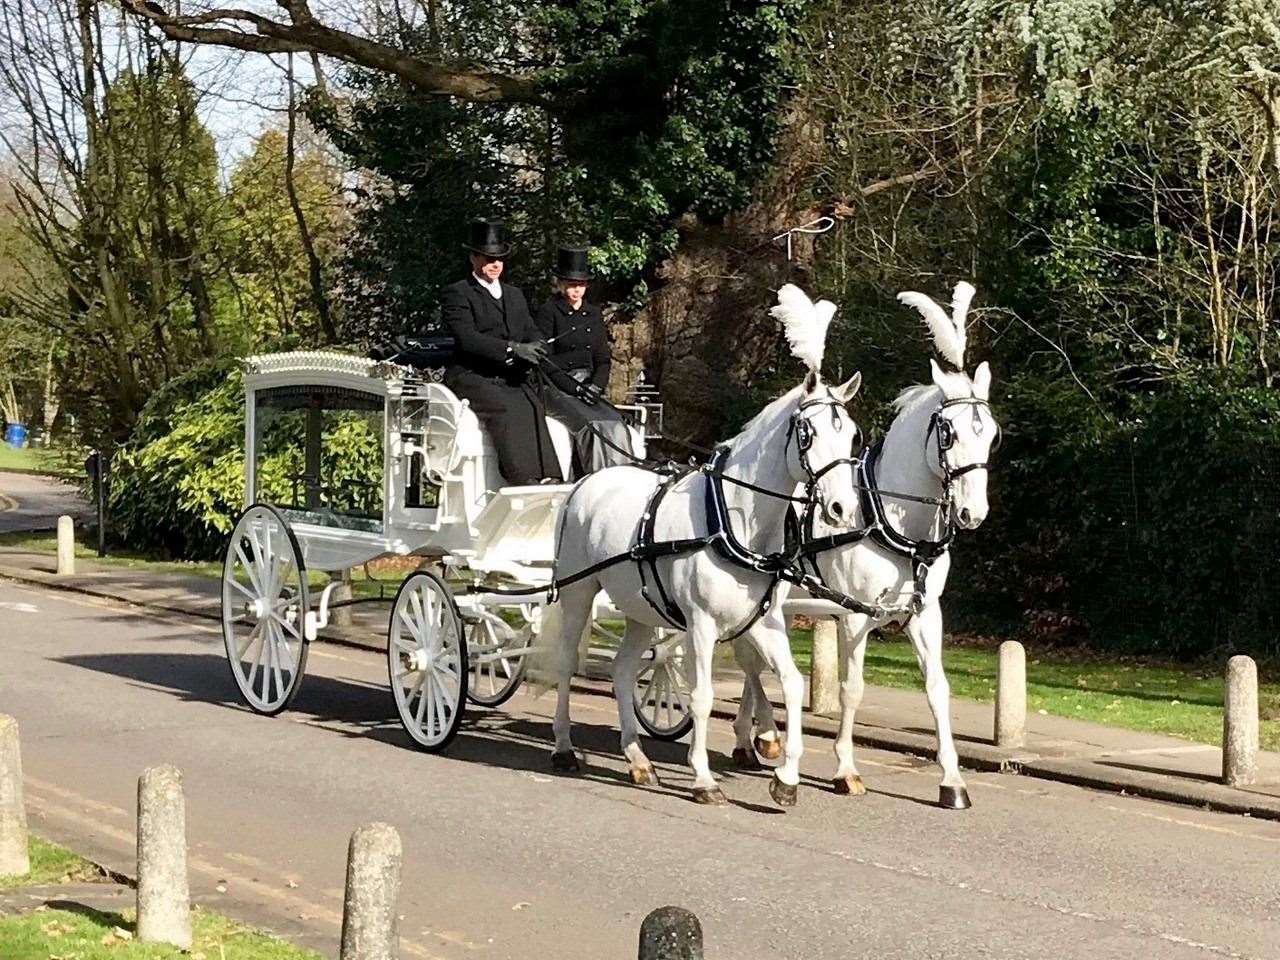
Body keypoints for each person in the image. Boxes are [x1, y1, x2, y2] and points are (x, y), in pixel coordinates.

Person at [438, 217, 562, 485]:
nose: (494, 264)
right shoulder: (457, 293)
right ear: (473, 258)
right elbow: (467, 338)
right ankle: (523, 478)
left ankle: (549, 476)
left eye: (499, 259)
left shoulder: (514, 294)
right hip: (472, 374)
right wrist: (512, 348)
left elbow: (529, 328)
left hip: (508, 374)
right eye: (487, 258)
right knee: (507, 407)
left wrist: (538, 345)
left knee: (532, 403)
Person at [535, 244, 636, 475]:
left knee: (617, 425)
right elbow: (545, 361)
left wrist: (597, 386)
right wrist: (576, 388)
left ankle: (624, 478)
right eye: (571, 284)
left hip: (589, 385)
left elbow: (602, 358)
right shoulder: (549, 312)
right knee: (592, 428)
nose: (576, 290)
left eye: (580, 284)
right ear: (561, 285)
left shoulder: (593, 314)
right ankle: (595, 479)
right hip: (558, 387)